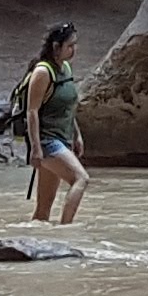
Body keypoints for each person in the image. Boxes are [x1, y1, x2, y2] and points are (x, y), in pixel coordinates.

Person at [21, 23, 87, 225]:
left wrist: (77, 135)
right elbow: (31, 112)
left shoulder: (65, 68)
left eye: (75, 45)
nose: (74, 50)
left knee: (42, 211)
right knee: (81, 179)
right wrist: (36, 149)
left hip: (63, 138)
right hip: (47, 141)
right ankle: (65, 230)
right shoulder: (43, 72)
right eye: (70, 45)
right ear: (56, 47)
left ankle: (33, 242)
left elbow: (68, 106)